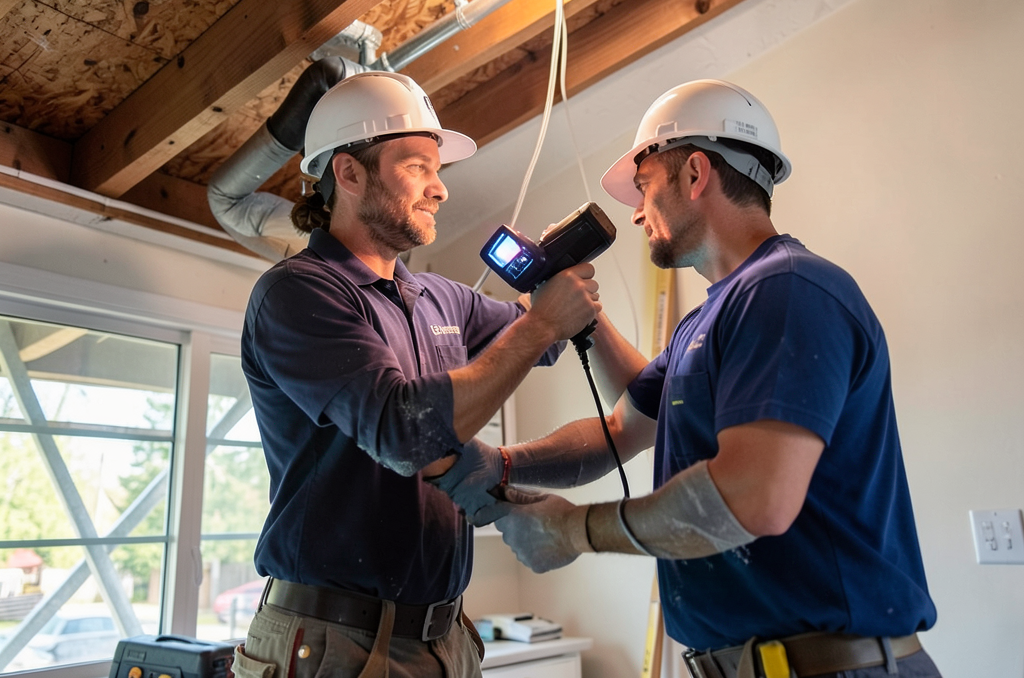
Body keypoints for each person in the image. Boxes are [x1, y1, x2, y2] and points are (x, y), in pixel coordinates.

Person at [437, 80, 941, 678]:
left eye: (645, 185)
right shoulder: (709, 318)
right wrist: (501, 463)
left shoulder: (787, 290)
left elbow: (752, 497)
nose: (635, 211)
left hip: (828, 667)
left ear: (696, 173)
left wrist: (572, 531)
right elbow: (622, 427)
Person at [234, 70, 606, 678]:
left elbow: (537, 339)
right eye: (417, 168)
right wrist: (542, 324)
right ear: (349, 174)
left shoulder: (439, 297)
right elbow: (403, 431)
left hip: (444, 636)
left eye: (438, 171)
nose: (440, 190)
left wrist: (551, 290)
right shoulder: (298, 293)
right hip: (334, 639)